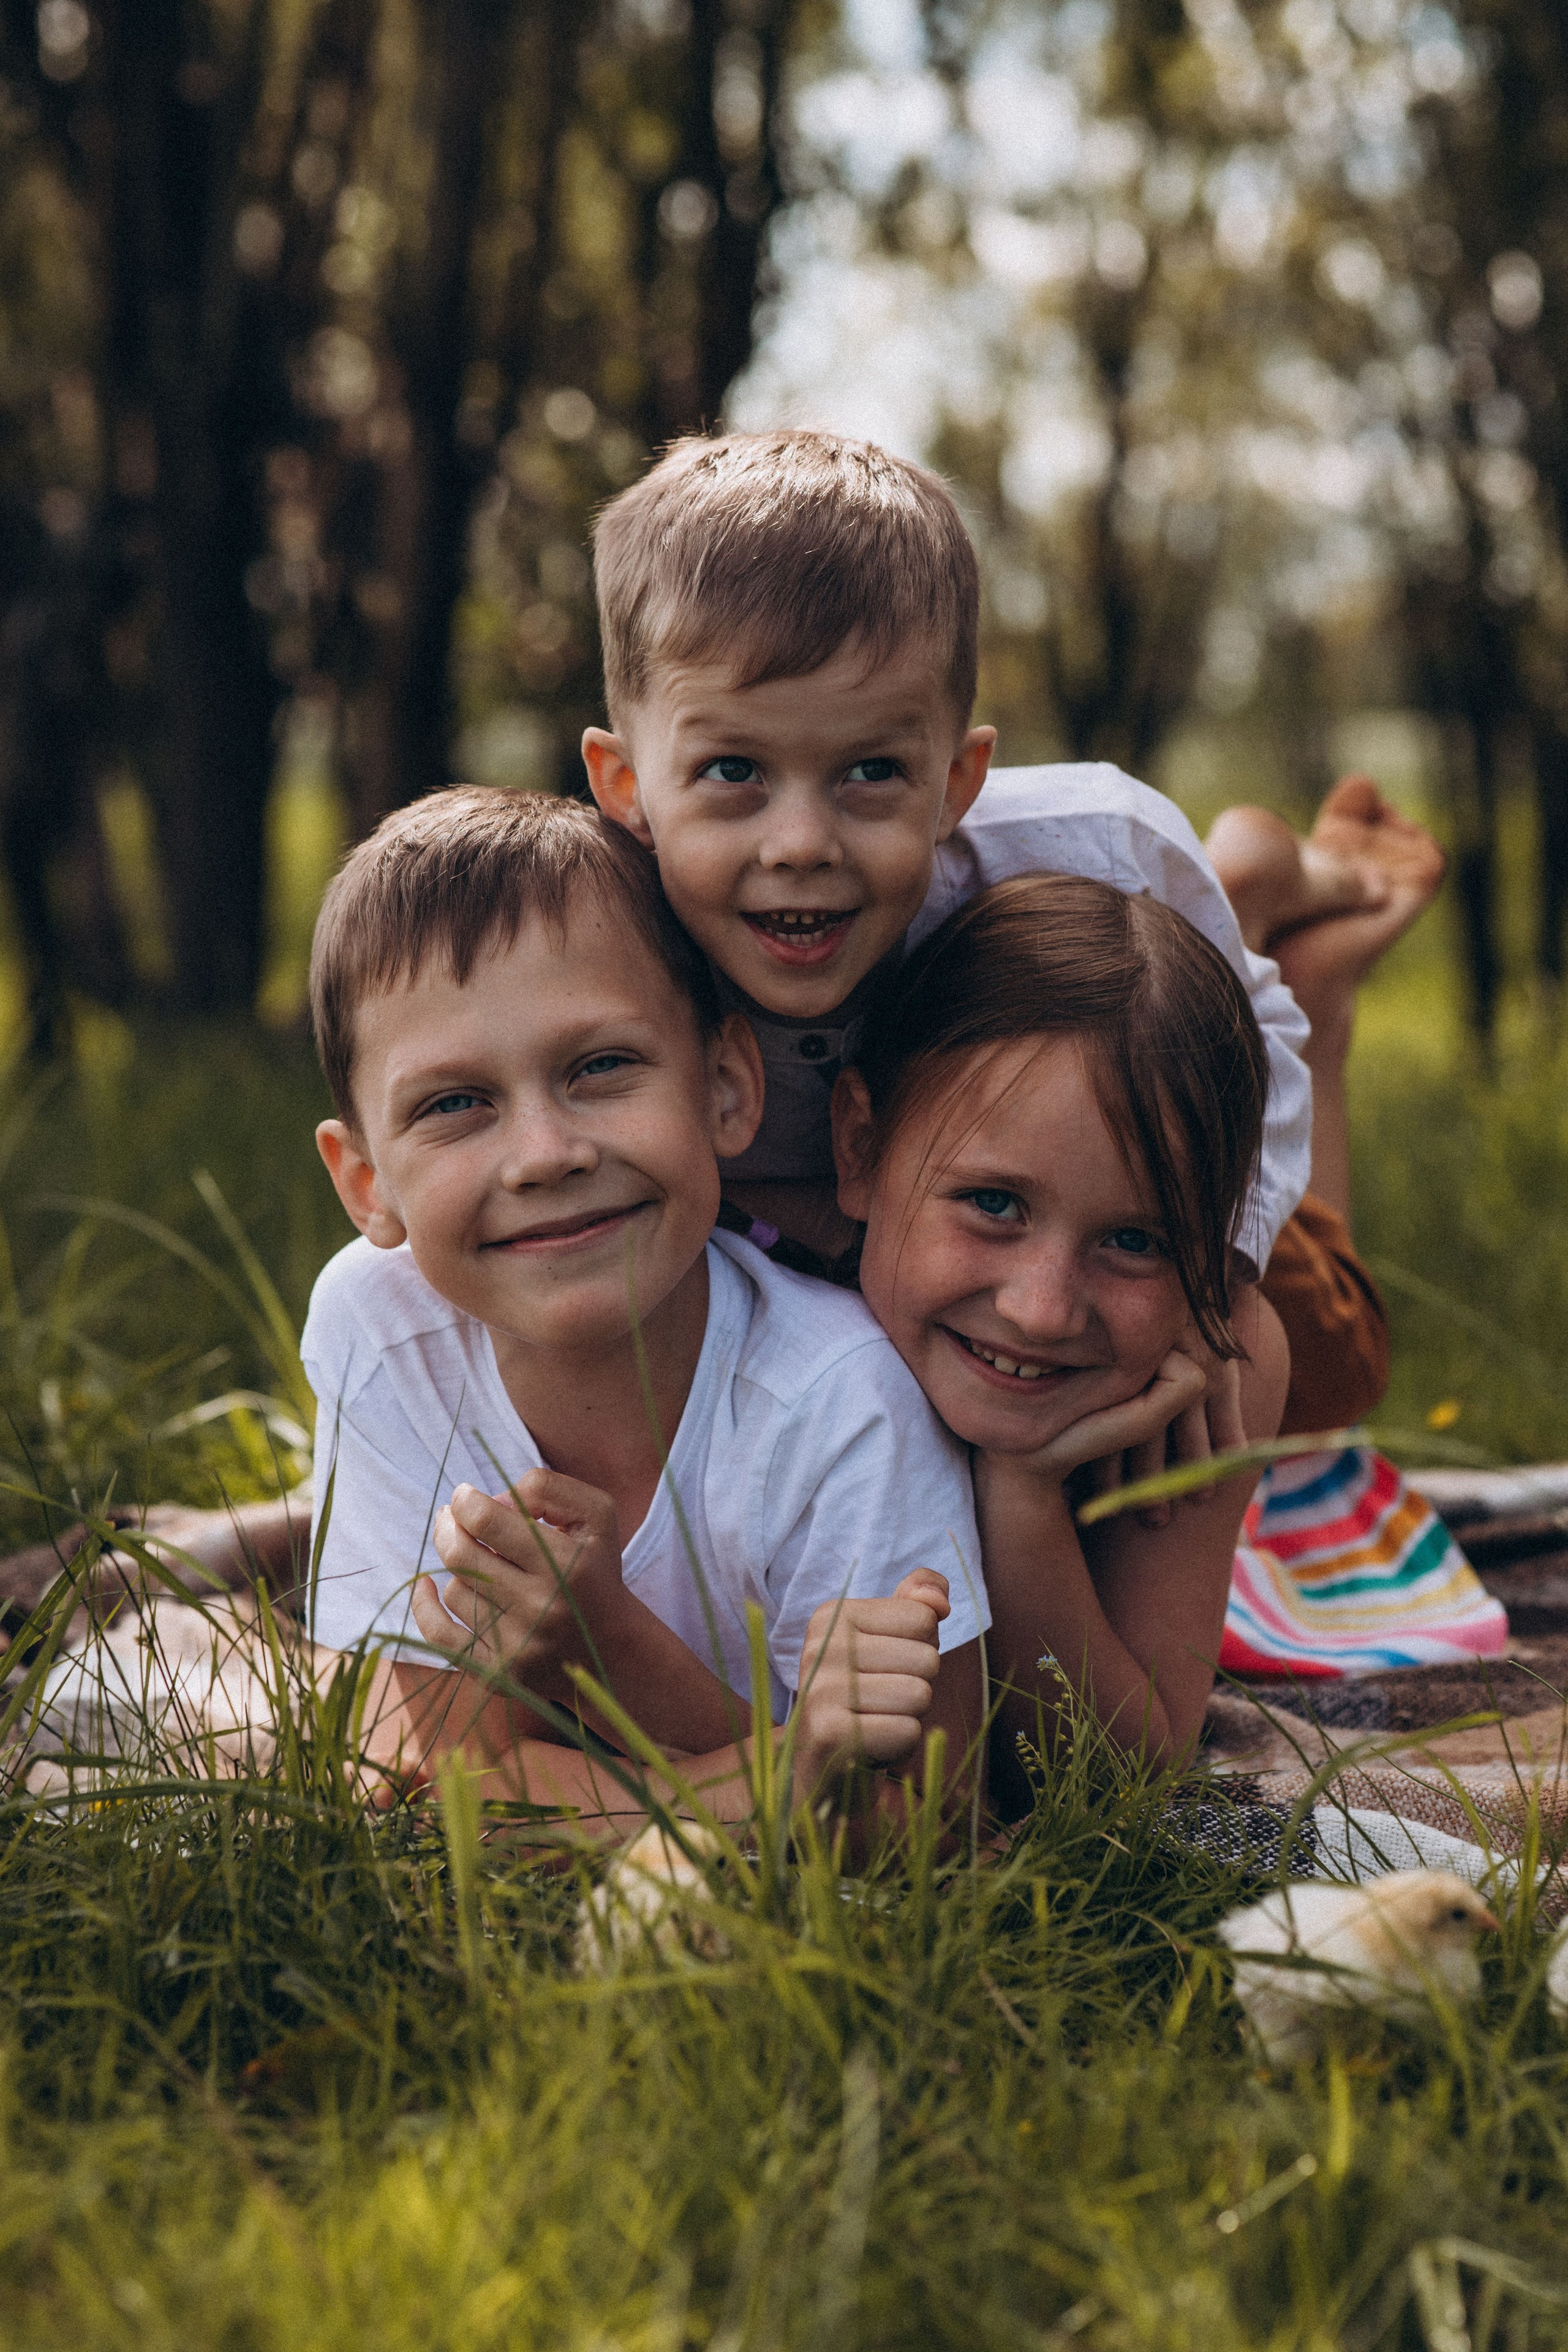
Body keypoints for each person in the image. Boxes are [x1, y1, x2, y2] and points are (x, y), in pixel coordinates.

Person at [293, 786, 989, 1835]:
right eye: (454, 1105)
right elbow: (453, 1780)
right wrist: (785, 1779)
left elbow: (941, 1824)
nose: (544, 1155)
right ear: (365, 1185)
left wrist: (606, 1648)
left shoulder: (842, 1403)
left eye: (602, 1067)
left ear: (725, 1088)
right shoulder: (382, 1331)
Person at [830, 873, 1290, 1806]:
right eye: (994, 1204)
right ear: (858, 1151)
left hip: (1286, 1303)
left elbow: (1127, 1779)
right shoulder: (755, 1297)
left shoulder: (1220, 1354)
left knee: (1344, 1320)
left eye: (1137, 1240)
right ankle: (1256, 887)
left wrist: (1023, 1497)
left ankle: (1299, 957)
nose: (1041, 1313)